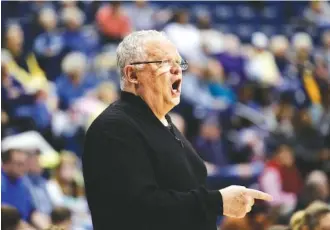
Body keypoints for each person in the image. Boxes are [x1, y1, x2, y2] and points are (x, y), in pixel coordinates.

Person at [82, 30, 272, 230]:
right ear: (132, 74)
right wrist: (217, 201)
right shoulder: (114, 127)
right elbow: (136, 208)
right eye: (163, 62)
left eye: (179, 63)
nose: (177, 70)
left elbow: (184, 193)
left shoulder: (164, 123)